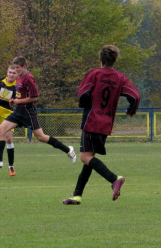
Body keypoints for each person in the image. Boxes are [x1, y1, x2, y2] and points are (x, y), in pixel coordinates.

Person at [62, 45, 140, 205]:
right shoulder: (120, 77)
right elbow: (136, 96)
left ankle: (114, 179)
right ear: (115, 60)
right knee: (90, 158)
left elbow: (82, 93)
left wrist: (85, 103)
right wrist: (131, 110)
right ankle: (77, 195)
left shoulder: (94, 73)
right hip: (106, 123)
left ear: (100, 59)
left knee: (85, 157)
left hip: (91, 120)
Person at [0, 56, 77, 174]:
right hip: (18, 111)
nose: (16, 70)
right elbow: (20, 94)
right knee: (0, 130)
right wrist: (14, 100)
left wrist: (19, 101)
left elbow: (34, 98)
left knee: (41, 137)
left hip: (28, 112)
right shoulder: (19, 77)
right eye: (15, 68)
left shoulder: (29, 78)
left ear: (24, 66)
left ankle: (68, 150)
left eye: (18, 68)